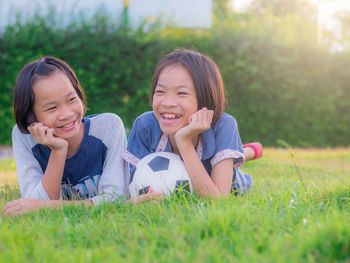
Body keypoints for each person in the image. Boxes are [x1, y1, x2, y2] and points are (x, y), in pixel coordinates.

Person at [123, 49, 263, 198]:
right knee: (236, 151)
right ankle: (246, 150)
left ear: (205, 98)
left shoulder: (224, 125)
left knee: (228, 161)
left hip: (225, 176)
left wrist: (184, 142)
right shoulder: (145, 125)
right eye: (160, 91)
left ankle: (248, 152)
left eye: (181, 93)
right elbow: (128, 186)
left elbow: (218, 199)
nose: (168, 102)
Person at [2, 57, 130, 216]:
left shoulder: (108, 127)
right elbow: (33, 202)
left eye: (71, 99)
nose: (67, 114)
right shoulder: (24, 137)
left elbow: (116, 199)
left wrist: (47, 207)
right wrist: (58, 150)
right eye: (52, 108)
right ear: (30, 117)